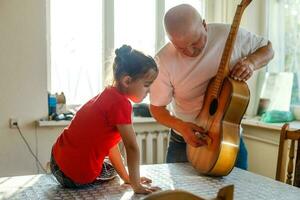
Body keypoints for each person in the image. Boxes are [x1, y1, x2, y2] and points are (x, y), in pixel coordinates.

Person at [149, 4, 274, 169]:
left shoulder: (229, 35)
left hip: (229, 139)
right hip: (184, 141)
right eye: (180, 47)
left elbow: (268, 49)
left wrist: (251, 63)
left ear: (204, 24)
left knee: (239, 194)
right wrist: (182, 127)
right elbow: (157, 108)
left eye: (195, 43)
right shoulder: (163, 61)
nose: (190, 52)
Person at [50, 45, 160, 194]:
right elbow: (132, 147)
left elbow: (109, 145)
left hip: (56, 160)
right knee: (110, 171)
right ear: (127, 81)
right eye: (147, 85)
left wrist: (127, 177)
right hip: (73, 177)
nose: (149, 90)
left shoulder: (107, 95)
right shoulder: (121, 104)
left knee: (108, 162)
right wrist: (136, 184)